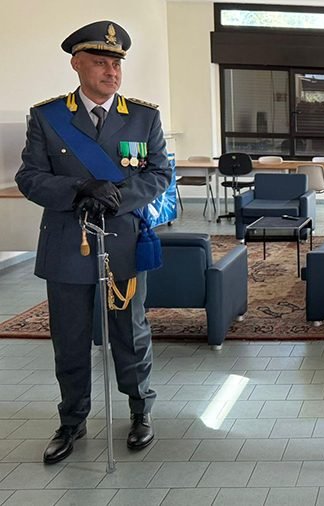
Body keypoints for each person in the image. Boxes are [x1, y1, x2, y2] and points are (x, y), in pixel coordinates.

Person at [16, 20, 171, 464]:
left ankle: (140, 411)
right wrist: (80, 189)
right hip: (69, 241)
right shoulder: (48, 117)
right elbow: (29, 177)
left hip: (122, 241)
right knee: (70, 337)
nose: (111, 71)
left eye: (116, 64)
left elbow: (159, 173)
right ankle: (72, 420)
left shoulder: (143, 117)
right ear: (77, 64)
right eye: (101, 62)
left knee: (131, 332)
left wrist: (118, 197)